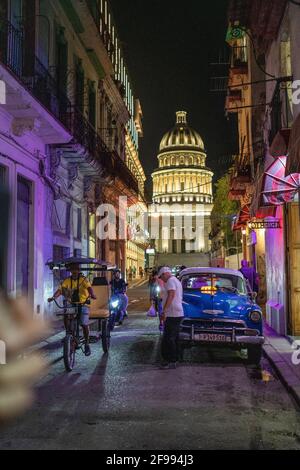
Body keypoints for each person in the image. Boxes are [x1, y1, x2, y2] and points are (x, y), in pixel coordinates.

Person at [48, 263, 96, 356]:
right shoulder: (67, 281)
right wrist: (53, 297)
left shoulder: (84, 280)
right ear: (70, 272)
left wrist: (92, 295)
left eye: (76, 270)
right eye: (72, 270)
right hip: (72, 304)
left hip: (83, 304)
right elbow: (60, 290)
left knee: (84, 323)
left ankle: (86, 343)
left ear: (78, 271)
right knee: (66, 315)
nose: (74, 272)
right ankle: (68, 334)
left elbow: (89, 288)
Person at [158, 266, 184, 369]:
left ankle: (171, 361)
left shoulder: (170, 281)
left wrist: (164, 311)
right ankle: (176, 359)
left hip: (172, 313)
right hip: (177, 313)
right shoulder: (176, 280)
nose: (161, 279)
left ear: (165, 274)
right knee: (174, 337)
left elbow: (171, 295)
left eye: (161, 277)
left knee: (169, 338)